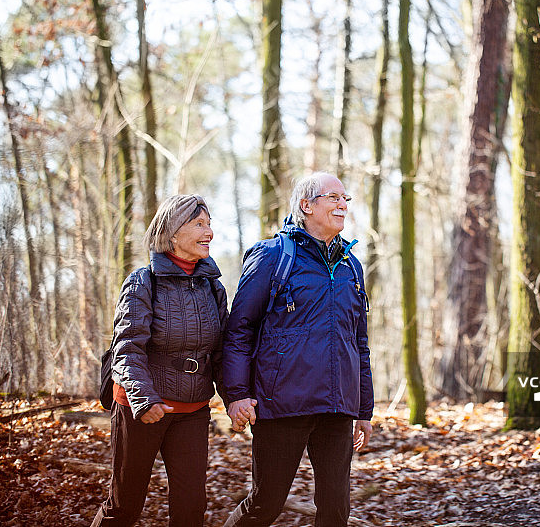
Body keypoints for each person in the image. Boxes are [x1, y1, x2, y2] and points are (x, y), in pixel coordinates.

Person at [222, 172, 374, 527]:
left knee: (336, 510)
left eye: (345, 198)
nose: (342, 204)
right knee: (265, 504)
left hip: (338, 407)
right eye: (332, 197)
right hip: (281, 404)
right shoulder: (273, 257)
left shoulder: (352, 266)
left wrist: (363, 408)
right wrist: (237, 394)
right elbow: (239, 331)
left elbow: (359, 342)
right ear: (306, 205)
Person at [91, 195, 228, 527]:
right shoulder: (142, 282)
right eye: (199, 224)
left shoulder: (213, 287)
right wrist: (144, 399)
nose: (208, 231)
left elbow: (223, 352)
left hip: (192, 411)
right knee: (124, 506)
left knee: (191, 507)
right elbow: (127, 349)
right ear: (172, 232)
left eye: (209, 224)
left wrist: (236, 397)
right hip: (141, 410)